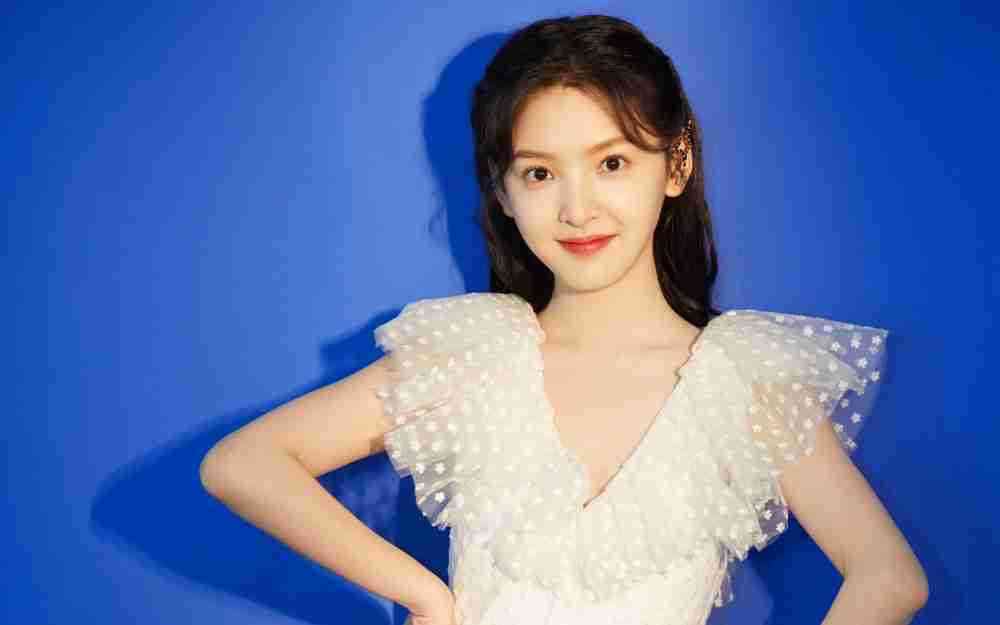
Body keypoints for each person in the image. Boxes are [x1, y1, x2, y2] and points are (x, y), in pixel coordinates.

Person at [199, 14, 928, 625]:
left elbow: (889, 576)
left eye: (611, 163)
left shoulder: (743, 382)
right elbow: (242, 464)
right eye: (540, 173)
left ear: (675, 164)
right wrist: (423, 593)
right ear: (503, 192)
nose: (577, 209)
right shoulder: (470, 360)